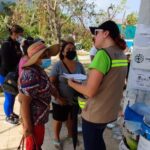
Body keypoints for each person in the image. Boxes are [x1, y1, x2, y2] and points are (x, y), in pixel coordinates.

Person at [68, 20, 128, 150]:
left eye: (97, 33)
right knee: (98, 142)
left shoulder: (103, 54)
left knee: (92, 145)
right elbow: (111, 82)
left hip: (94, 115)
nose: (95, 36)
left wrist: (71, 84)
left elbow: (89, 92)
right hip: (109, 113)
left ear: (106, 33)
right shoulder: (121, 54)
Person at [18, 41, 60, 150]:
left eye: (47, 54)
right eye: (44, 55)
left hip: (39, 119)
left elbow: (47, 84)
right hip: (33, 121)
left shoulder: (39, 70)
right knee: (33, 146)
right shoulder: (30, 74)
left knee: (37, 144)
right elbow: (24, 102)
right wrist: (28, 127)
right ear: (36, 58)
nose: (48, 57)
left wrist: (56, 93)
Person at [49, 37, 85, 148]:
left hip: (74, 99)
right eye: (69, 49)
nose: (71, 51)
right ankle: (56, 138)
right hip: (60, 99)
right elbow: (51, 83)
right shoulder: (58, 65)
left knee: (72, 118)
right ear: (63, 52)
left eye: (73, 49)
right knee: (59, 119)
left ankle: (70, 135)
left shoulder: (79, 65)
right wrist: (58, 98)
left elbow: (84, 79)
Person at [0, 24, 24, 124]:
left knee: (12, 95)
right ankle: (8, 116)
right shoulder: (6, 44)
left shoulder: (16, 44)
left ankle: (11, 113)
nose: (21, 37)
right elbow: (6, 63)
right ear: (14, 33)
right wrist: (14, 73)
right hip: (5, 75)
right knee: (9, 96)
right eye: (20, 34)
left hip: (13, 74)